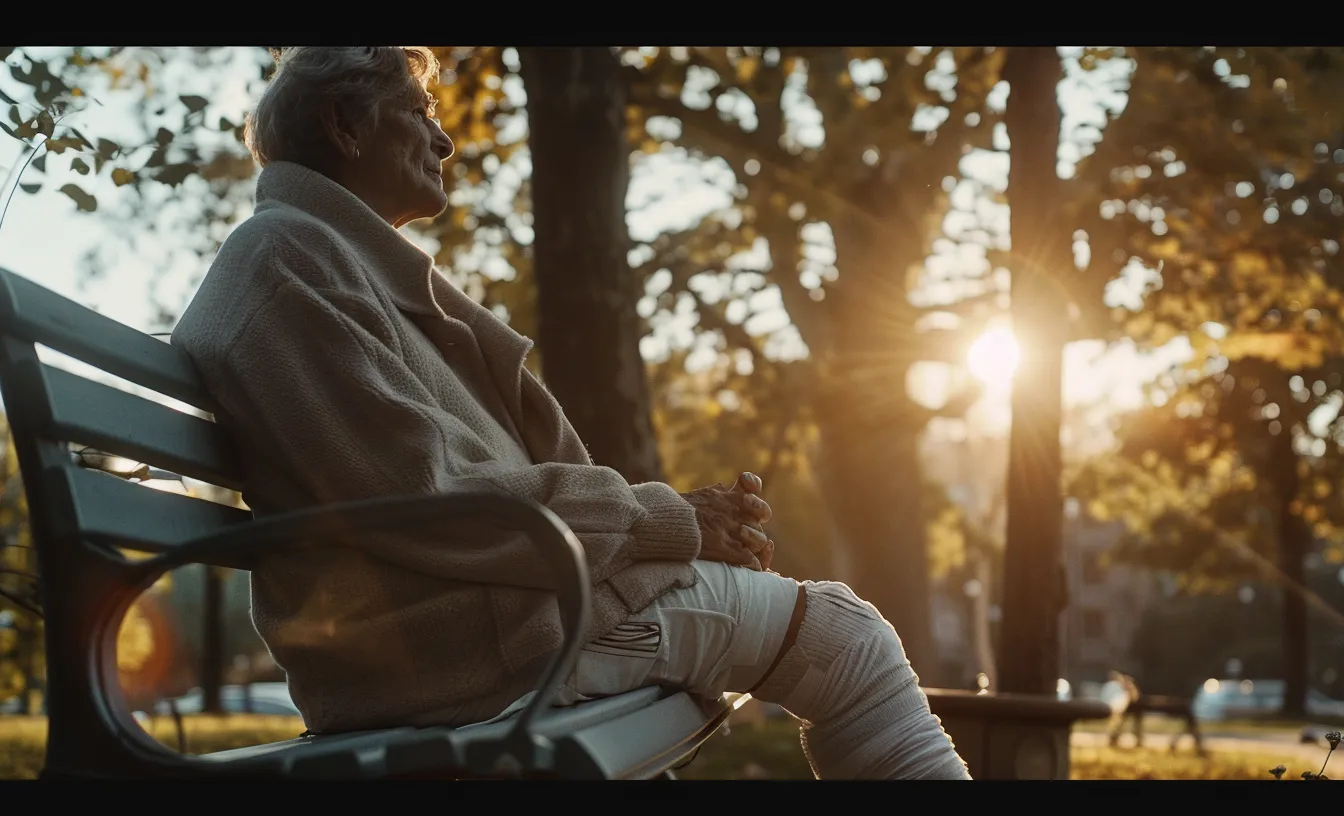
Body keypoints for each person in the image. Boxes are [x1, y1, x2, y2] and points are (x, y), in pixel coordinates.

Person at [172, 46, 969, 780]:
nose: (443, 143)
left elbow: (432, 490)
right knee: (847, 641)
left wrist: (668, 529)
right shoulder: (287, 266)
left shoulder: (325, 262)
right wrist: (667, 523)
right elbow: (431, 502)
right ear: (343, 125)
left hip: (497, 618)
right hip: (471, 652)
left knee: (832, 631)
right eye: (420, 113)